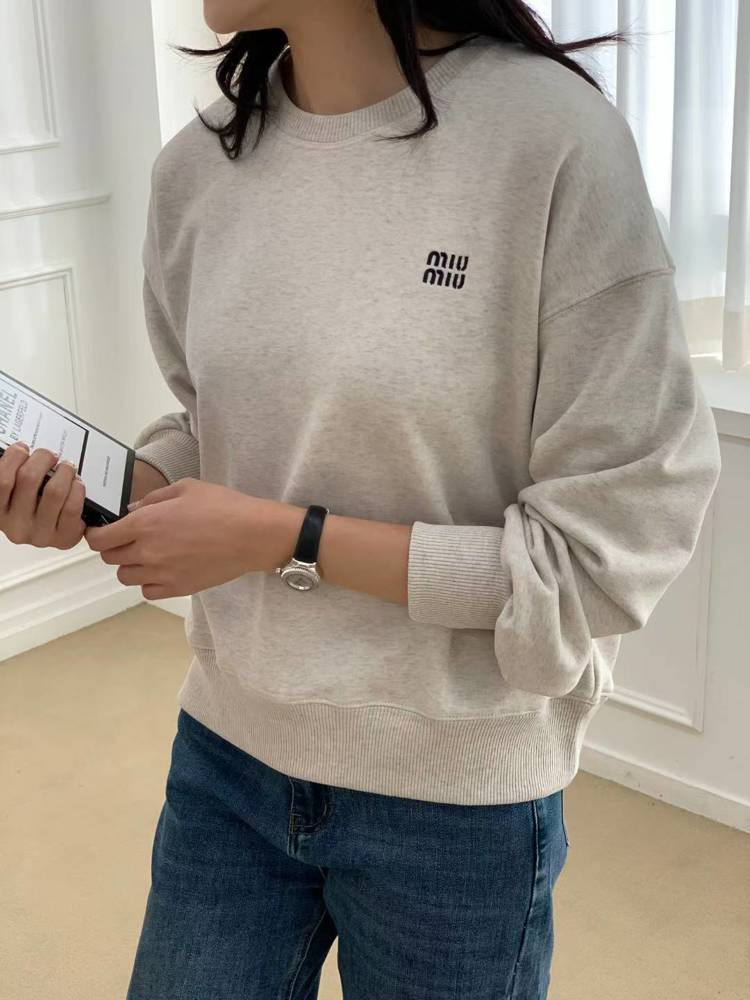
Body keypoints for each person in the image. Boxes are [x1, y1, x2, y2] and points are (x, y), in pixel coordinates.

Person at [0, 2, 722, 997]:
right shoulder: (199, 169)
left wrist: (281, 537)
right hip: (229, 755)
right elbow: (216, 422)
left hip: (456, 796)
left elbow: (600, 555)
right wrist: (122, 491)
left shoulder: (553, 142)